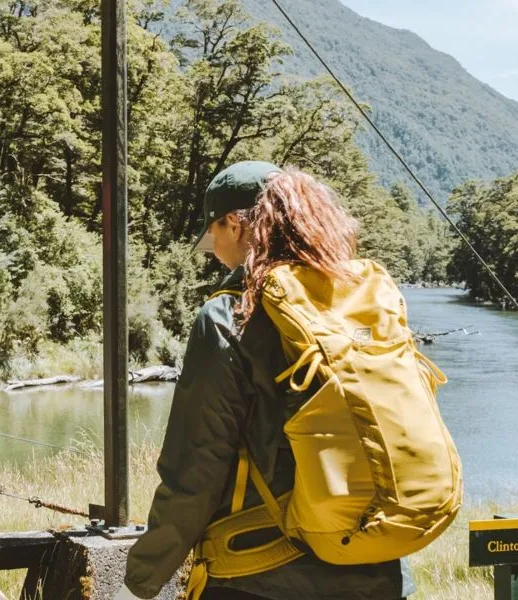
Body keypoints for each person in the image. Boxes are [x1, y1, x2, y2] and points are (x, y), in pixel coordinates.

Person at [114, 162, 416, 600]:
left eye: (212, 236)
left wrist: (140, 582)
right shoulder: (359, 305)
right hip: (378, 571)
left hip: (261, 578)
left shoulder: (229, 316)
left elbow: (195, 471)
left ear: (234, 225)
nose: (213, 252)